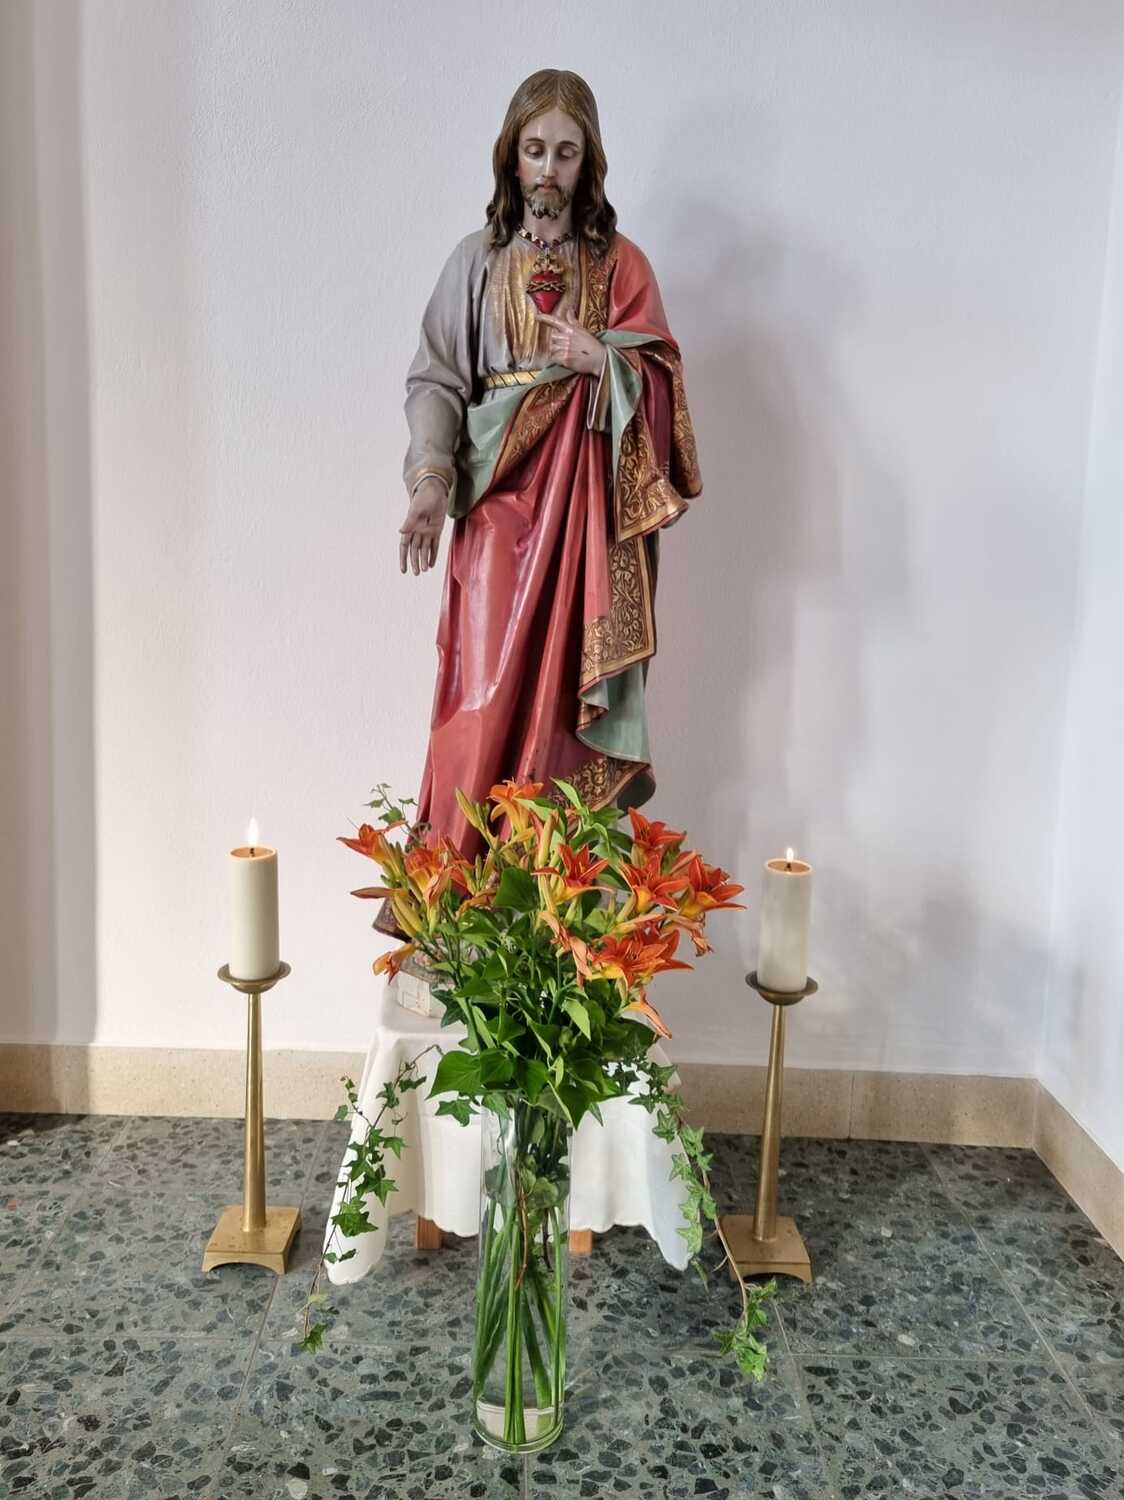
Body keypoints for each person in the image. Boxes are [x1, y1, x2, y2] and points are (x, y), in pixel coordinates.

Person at [375, 68, 701, 941]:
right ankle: (456, 913)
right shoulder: (476, 262)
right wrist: (431, 478)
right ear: (510, 158)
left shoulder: (622, 265)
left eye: (566, 150)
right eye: (534, 149)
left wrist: (606, 361)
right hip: (496, 506)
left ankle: (553, 913)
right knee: (477, 701)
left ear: (588, 160)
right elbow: (437, 380)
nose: (549, 167)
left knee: (562, 712)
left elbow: (663, 385)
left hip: (582, 524)